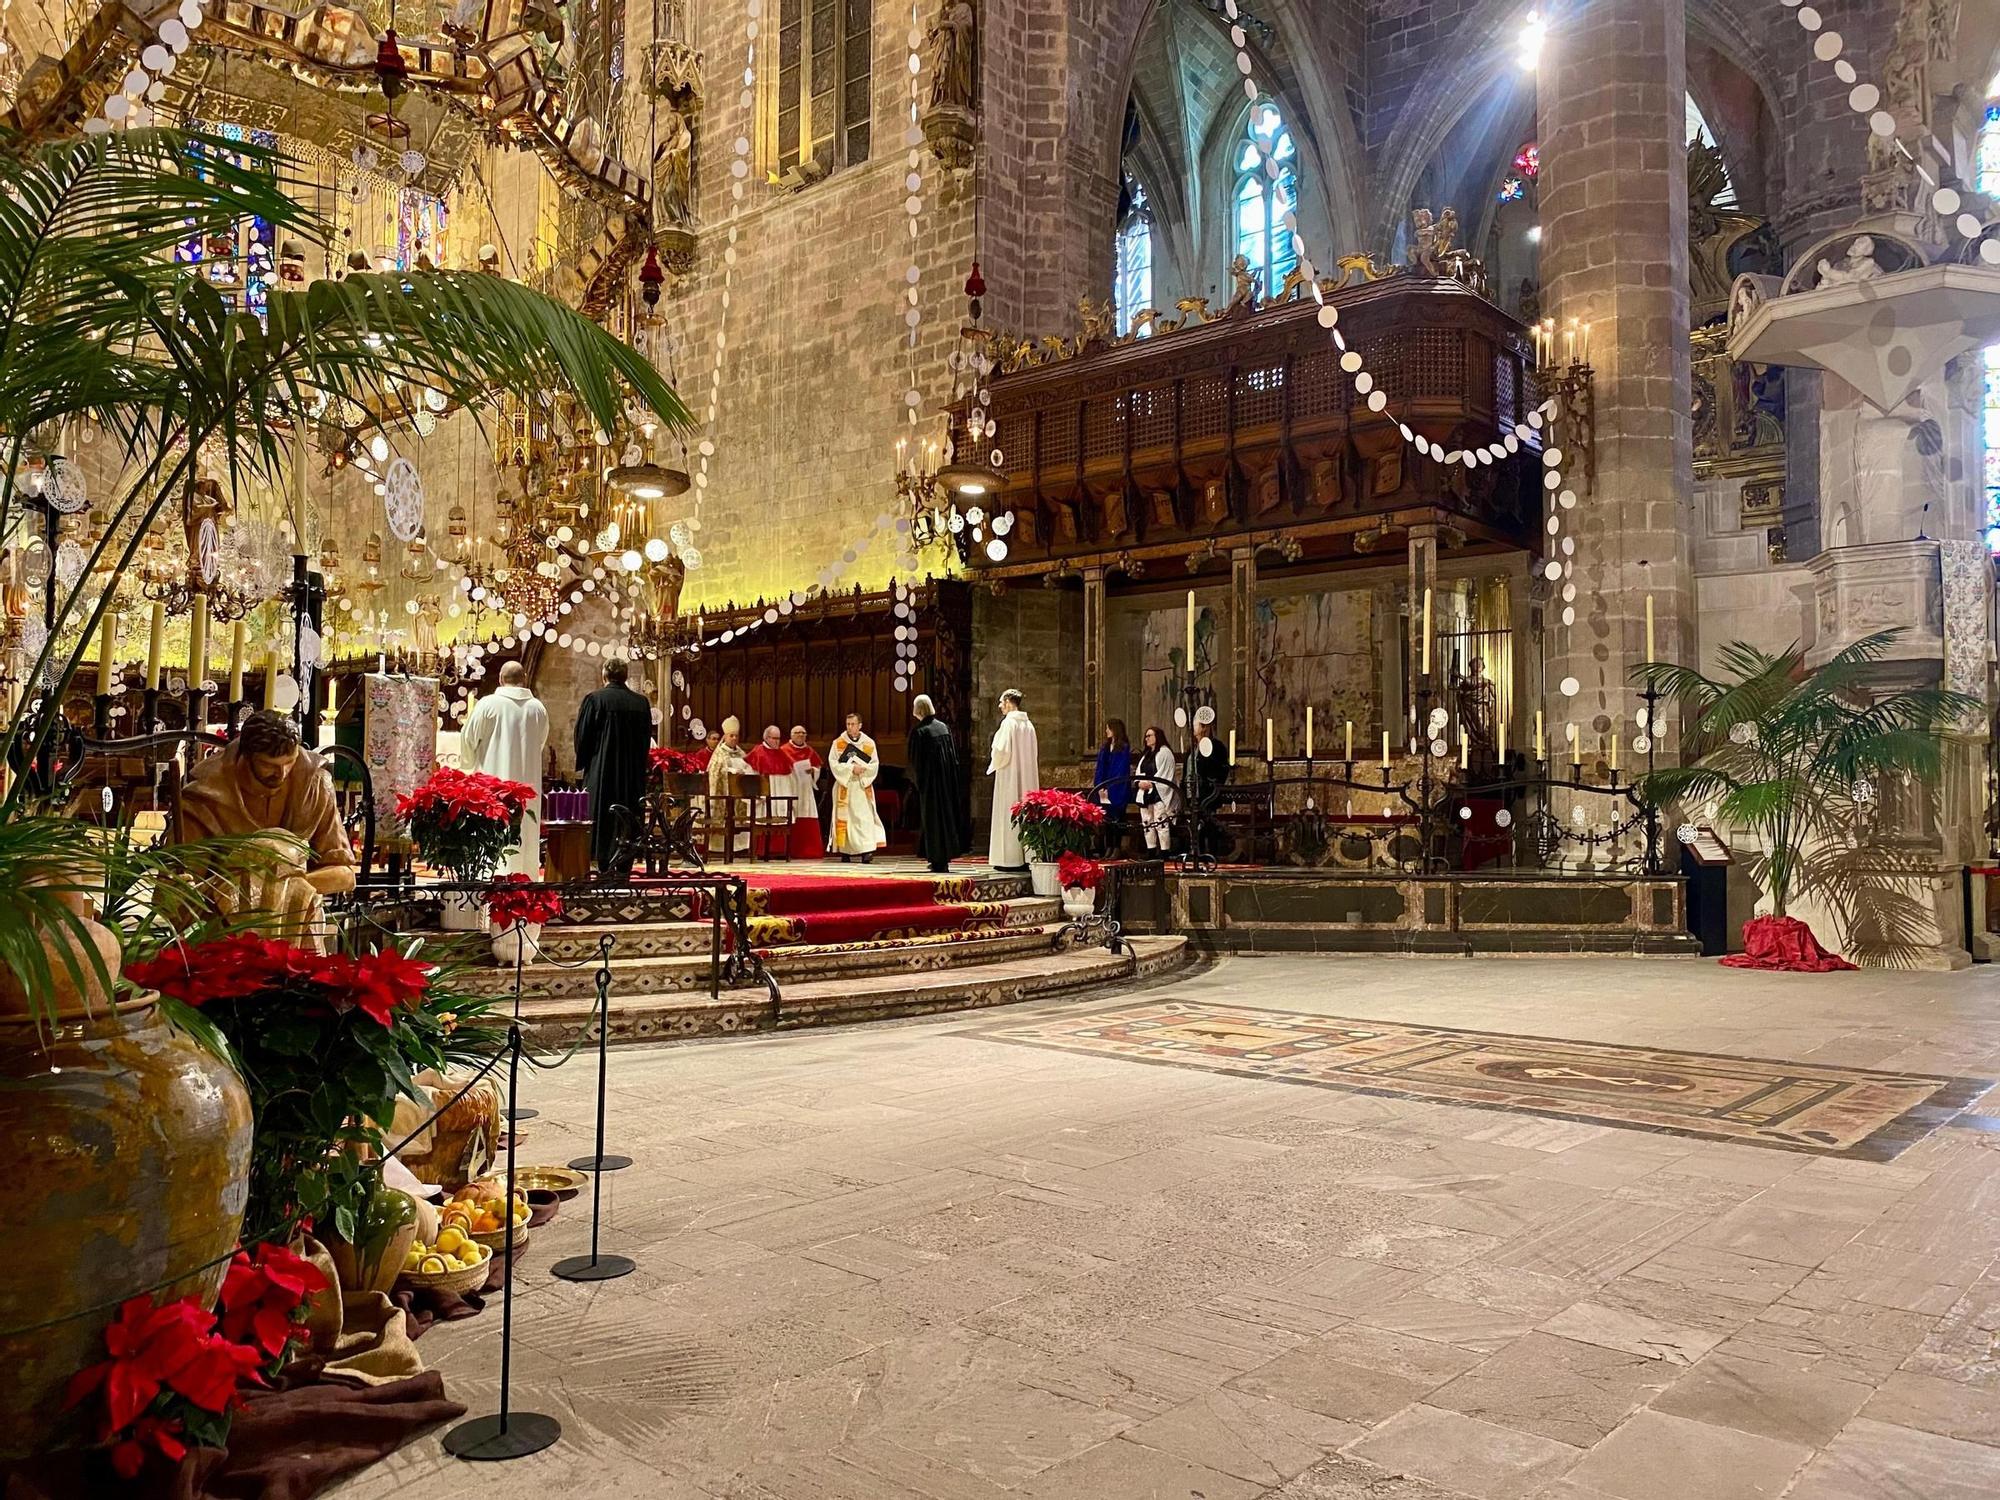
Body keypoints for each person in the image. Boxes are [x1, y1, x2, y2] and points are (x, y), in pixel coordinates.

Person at [175, 709, 357, 948]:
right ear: (246, 756)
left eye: (289, 762)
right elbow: (179, 890)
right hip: (226, 929)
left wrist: (283, 887)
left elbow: (344, 875)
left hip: (298, 922)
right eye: (268, 765)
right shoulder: (207, 796)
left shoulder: (313, 785)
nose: (281, 773)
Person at [459, 661, 550, 877]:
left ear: (500, 679)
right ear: (525, 678)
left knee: (493, 832)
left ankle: (490, 878)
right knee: (523, 833)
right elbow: (539, 744)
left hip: (492, 781)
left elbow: (468, 739)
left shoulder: (487, 705)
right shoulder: (538, 708)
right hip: (527, 786)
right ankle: (524, 881)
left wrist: (468, 766)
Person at [573, 658, 654, 878]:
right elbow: (646, 739)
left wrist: (586, 761)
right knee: (628, 813)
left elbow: (583, 737)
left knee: (603, 814)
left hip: (602, 770)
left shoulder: (595, 700)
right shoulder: (641, 703)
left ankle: (604, 863)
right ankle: (625, 864)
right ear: (625, 676)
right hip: (631, 773)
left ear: (604, 675)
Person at [908, 694, 970, 873]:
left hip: (930, 785)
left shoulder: (920, 731)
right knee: (946, 818)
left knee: (933, 820)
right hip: (946, 783)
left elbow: (915, 761)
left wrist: (918, 783)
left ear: (917, 709)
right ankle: (945, 857)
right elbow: (953, 757)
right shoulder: (943, 727)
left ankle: (936, 859)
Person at [745, 723, 823, 859]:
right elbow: (750, 775)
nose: (777, 741)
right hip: (765, 798)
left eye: (778, 738)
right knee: (764, 819)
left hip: (781, 795)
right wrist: (757, 795)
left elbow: (792, 776)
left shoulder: (782, 754)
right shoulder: (758, 752)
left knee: (781, 819)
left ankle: (780, 851)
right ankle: (763, 851)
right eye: (774, 738)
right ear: (767, 738)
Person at [986, 688, 1040, 873]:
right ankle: (1027, 856)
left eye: (1002, 702)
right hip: (1026, 776)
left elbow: (1001, 750)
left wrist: (993, 754)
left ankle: (1009, 859)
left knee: (1008, 813)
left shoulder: (1009, 723)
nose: (1000, 706)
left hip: (1009, 776)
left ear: (1009, 701)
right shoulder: (1029, 725)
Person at [827, 712, 885, 861]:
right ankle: (846, 852)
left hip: (861, 785)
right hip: (845, 785)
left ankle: (866, 851)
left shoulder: (868, 743)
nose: (850, 727)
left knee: (863, 819)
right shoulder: (838, 743)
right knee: (846, 820)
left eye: (853, 724)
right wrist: (851, 769)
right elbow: (833, 763)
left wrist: (862, 770)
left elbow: (875, 764)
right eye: (848, 724)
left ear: (860, 725)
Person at [705, 715, 755, 858]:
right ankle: (719, 848)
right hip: (724, 794)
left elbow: (748, 767)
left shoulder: (741, 753)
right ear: (725, 737)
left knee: (740, 816)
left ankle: (741, 847)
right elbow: (715, 771)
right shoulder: (719, 754)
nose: (734, 738)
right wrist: (730, 771)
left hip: (739, 793)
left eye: (736, 736)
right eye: (731, 735)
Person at [1187, 705, 1232, 857]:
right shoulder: (1192, 748)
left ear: (1203, 727)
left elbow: (1220, 768)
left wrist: (1214, 784)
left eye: (1195, 725)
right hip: (1192, 791)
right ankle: (1196, 852)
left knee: (1209, 822)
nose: (1193, 729)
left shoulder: (1217, 746)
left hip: (1208, 792)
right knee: (1195, 823)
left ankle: (1211, 853)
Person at [1134, 724, 1178, 853]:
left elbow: (1165, 773)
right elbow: (1138, 772)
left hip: (1159, 793)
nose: (1146, 738)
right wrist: (1139, 783)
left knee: (1160, 822)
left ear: (1157, 737)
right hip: (1145, 793)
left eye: (1149, 736)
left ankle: (1165, 851)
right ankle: (1151, 849)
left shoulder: (1165, 752)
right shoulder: (1145, 755)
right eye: (1145, 736)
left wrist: (1151, 783)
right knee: (1147, 822)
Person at [1093, 718, 1133, 853]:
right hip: (1104, 789)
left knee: (1118, 819)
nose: (1106, 731)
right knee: (1107, 820)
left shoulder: (1124, 748)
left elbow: (1121, 771)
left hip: (1117, 789)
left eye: (1108, 728)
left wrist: (1111, 788)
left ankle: (1116, 847)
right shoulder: (1105, 748)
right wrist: (1100, 786)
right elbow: (1100, 768)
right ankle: (1108, 847)